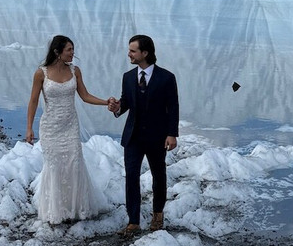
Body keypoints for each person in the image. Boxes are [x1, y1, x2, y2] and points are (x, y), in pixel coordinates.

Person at [25, 35, 112, 224]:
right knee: (55, 167)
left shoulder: (75, 71)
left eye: (73, 49)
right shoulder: (41, 73)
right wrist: (29, 128)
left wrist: (105, 102)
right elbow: (33, 101)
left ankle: (76, 208)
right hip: (50, 128)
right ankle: (56, 210)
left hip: (70, 126)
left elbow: (85, 95)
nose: (73, 53)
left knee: (74, 165)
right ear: (57, 52)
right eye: (69, 50)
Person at [108, 34, 179, 235]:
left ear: (145, 53)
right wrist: (116, 107)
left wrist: (172, 134)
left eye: (132, 50)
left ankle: (158, 215)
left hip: (157, 137)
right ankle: (133, 221)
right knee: (131, 177)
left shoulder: (167, 78)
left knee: (159, 175)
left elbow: (173, 107)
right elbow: (126, 102)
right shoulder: (128, 77)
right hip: (133, 137)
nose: (129, 54)